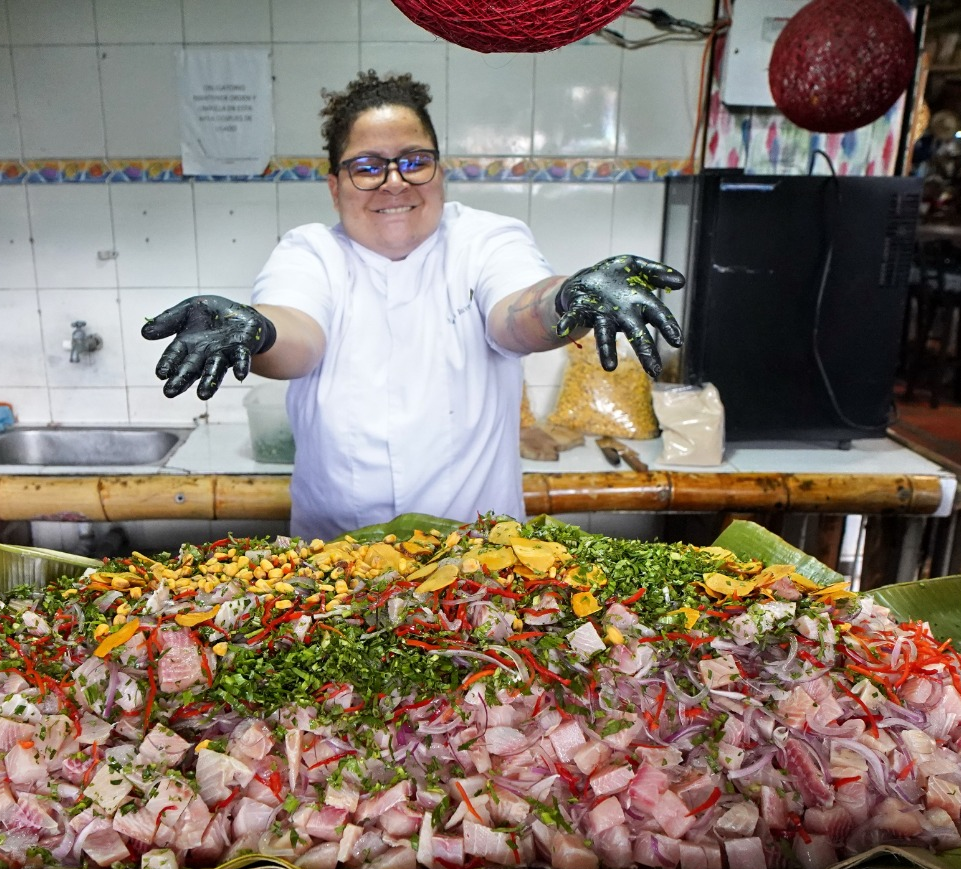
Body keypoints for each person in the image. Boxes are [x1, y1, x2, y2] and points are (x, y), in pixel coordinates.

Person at [142, 71, 685, 540]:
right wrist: (255, 331)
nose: (395, 181)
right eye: (368, 167)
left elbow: (519, 312)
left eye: (414, 161)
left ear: (440, 171)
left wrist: (570, 297)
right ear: (335, 187)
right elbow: (297, 340)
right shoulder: (310, 251)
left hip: (477, 558)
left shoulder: (486, 240)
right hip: (338, 560)